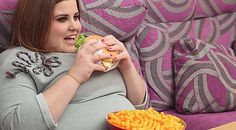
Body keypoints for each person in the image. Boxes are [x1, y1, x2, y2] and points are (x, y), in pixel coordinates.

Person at [0, 0, 147, 130]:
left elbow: (141, 107)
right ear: (35, 22)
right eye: (62, 19)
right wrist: (75, 76)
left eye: (76, 17)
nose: (75, 27)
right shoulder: (18, 58)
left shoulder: (93, 45)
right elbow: (16, 125)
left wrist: (126, 66)